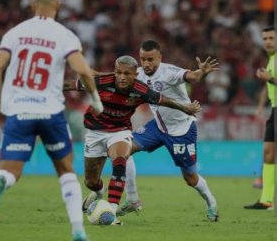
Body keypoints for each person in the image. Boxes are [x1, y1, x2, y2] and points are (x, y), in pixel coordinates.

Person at [0, 0, 104, 241]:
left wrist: (2, 105)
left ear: (32, 5)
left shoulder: (15, 33)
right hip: (51, 112)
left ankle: (0, 182)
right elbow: (82, 70)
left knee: (10, 170)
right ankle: (78, 230)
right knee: (66, 169)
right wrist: (95, 98)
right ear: (58, 5)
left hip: (19, 111)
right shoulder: (65, 36)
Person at [64, 55, 201, 225]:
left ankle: (111, 212)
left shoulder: (141, 90)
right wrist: (44, 90)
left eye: (127, 73)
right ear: (114, 72)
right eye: (119, 72)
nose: (122, 77)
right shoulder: (102, 81)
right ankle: (99, 194)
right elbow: (71, 85)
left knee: (121, 159)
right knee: (91, 182)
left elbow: (164, 100)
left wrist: (185, 107)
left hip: (120, 131)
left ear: (135, 74)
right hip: (95, 132)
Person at [116, 40, 220, 222]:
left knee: (190, 178)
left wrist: (201, 73)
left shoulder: (169, 72)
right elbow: (116, 77)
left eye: (150, 60)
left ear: (159, 58)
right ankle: (132, 199)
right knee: (122, 149)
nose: (146, 64)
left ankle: (211, 202)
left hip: (181, 131)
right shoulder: (138, 74)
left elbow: (192, 76)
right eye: (143, 59)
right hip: (157, 126)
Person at [244, 26, 276, 210]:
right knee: (268, 153)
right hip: (274, 109)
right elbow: (268, 86)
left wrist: (270, 78)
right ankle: (266, 200)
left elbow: (271, 81)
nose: (268, 41)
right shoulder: (272, 59)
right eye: (265, 38)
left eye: (272, 38)